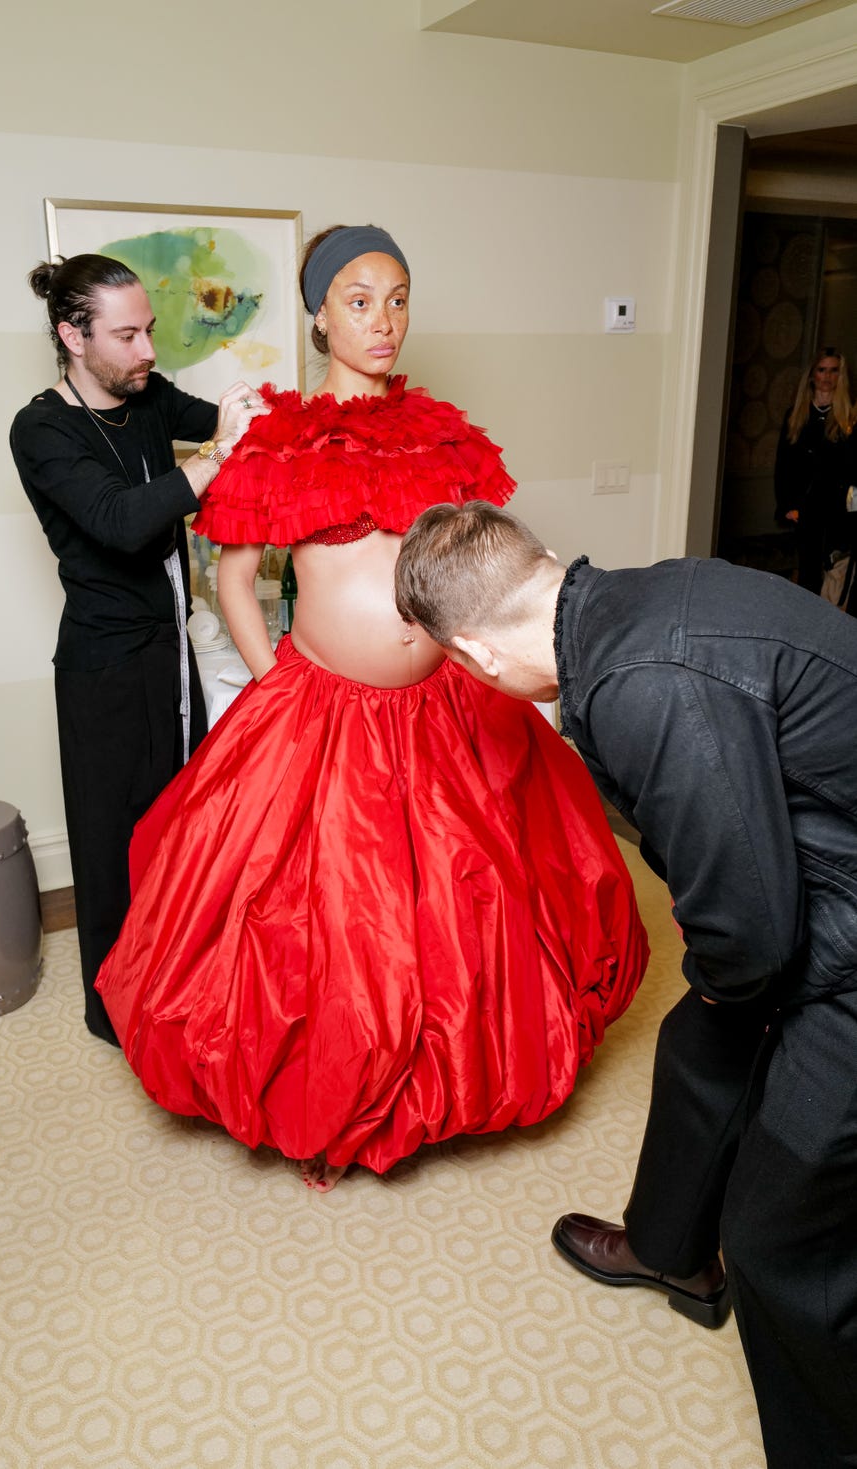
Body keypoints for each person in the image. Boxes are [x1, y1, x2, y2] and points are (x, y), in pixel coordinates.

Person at [95, 225, 648, 1190]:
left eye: (397, 298)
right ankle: (336, 1090)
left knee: (467, 907)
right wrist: (274, 681)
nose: (384, 321)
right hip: (321, 704)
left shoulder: (446, 437)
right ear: (319, 313)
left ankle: (443, 1084)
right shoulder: (276, 438)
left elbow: (478, 565)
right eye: (359, 300)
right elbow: (232, 582)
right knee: (325, 922)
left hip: (443, 703)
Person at [393, 499, 857, 1469]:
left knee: (776, 1244)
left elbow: (756, 934)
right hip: (826, 845)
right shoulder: (624, 603)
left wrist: (730, 977)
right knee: (700, 1038)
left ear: (472, 654)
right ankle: (670, 1249)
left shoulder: (647, 681)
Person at [10, 253, 264, 1044]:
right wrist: (221, 453)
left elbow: (229, 425)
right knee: (111, 839)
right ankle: (113, 1013)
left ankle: (172, 984)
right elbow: (121, 520)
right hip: (103, 666)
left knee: (177, 824)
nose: (150, 350)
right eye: (128, 335)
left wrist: (272, 415)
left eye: (149, 330)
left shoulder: (146, 397)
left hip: (168, 651)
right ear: (73, 335)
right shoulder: (42, 429)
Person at [774, 345, 852, 594]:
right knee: (808, 569)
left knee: (836, 568)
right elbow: (784, 464)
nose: (827, 377)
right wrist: (787, 504)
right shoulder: (797, 415)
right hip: (805, 506)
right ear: (812, 374)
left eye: (834, 371)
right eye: (822, 370)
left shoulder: (849, 416)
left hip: (839, 507)